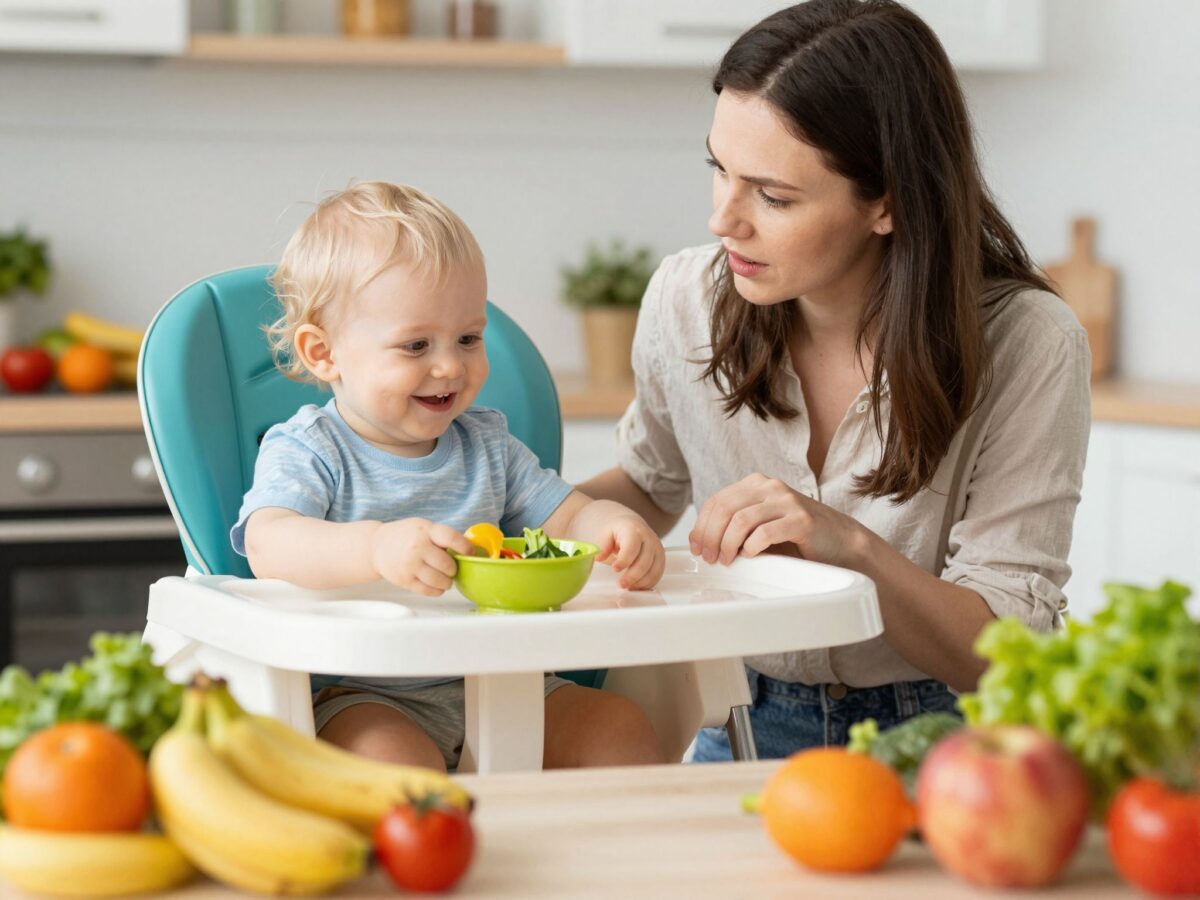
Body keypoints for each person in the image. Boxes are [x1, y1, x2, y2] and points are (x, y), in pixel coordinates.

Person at [579, 0, 1090, 761]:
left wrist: (849, 546)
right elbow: (651, 486)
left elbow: (1003, 655)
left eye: (773, 196)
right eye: (719, 170)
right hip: (739, 714)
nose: (724, 220)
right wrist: (508, 508)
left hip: (943, 736)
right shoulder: (685, 300)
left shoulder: (1029, 343)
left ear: (887, 202)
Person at [232, 181, 665, 772]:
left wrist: (613, 525)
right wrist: (375, 547)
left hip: (507, 680)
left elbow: (568, 515)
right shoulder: (311, 448)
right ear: (323, 353)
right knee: (395, 768)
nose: (449, 366)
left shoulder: (487, 444)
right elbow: (269, 542)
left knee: (620, 729)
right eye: (416, 345)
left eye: (468, 338)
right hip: (366, 694)